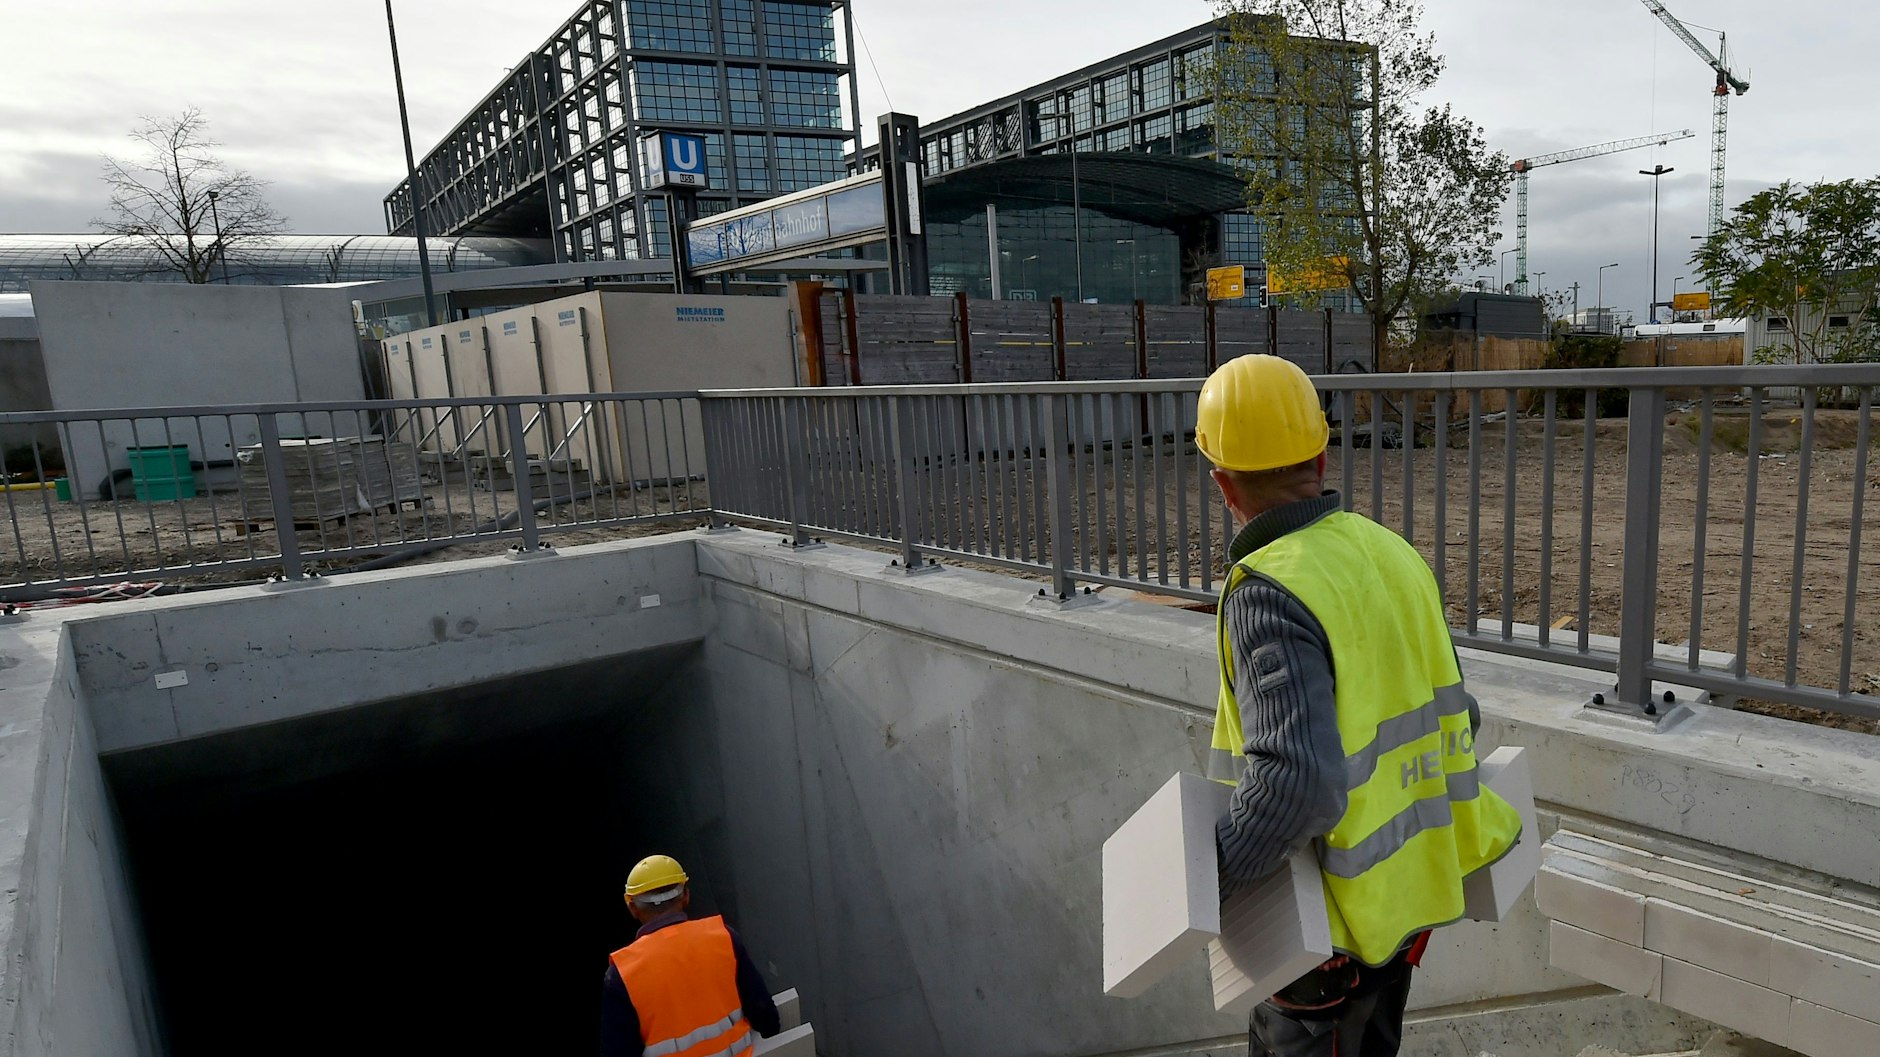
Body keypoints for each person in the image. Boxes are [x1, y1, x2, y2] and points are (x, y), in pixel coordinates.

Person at [1195, 356, 1523, 1057]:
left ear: (1222, 484)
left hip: (1328, 941)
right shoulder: (1391, 553)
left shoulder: (1267, 590)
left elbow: (1296, 783)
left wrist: (1208, 881)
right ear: (1321, 453)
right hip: (1404, 914)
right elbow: (1459, 712)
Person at [601, 854, 781, 1057]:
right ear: (686, 895)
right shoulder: (723, 937)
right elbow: (765, 1016)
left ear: (632, 908)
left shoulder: (622, 974)